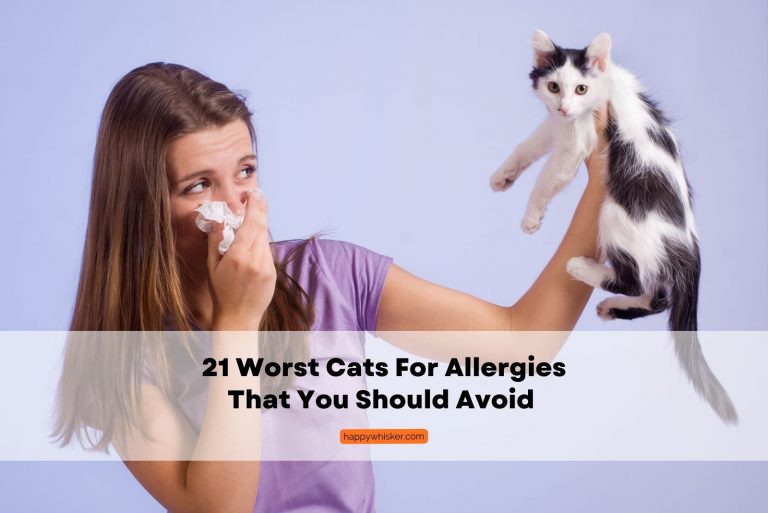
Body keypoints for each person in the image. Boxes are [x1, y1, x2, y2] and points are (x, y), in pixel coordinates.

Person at [52, 62, 608, 513]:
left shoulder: (329, 277)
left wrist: (605, 183)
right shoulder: (122, 360)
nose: (239, 206)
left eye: (246, 171)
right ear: (143, 209)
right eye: (200, 185)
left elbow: (523, 343)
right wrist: (239, 322)